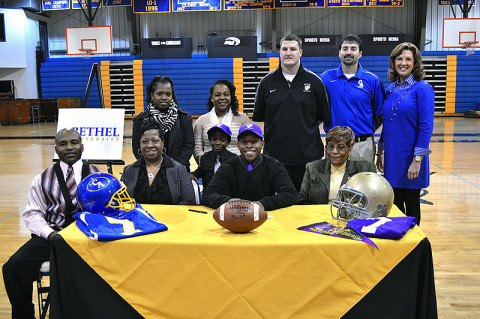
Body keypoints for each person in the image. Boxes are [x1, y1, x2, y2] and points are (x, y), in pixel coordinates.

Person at [2, 128, 101, 318]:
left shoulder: (98, 175)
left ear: (82, 146)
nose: (69, 147)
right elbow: (33, 214)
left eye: (74, 142)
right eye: (63, 144)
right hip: (53, 235)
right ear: (56, 149)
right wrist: (51, 234)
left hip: (88, 238)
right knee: (13, 267)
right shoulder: (42, 178)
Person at [252, 33, 331, 192]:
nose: (288, 53)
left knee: (307, 206)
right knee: (279, 204)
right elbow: (260, 119)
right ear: (279, 52)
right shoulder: (266, 83)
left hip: (309, 159)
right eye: (284, 49)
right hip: (275, 158)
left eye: (293, 49)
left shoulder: (315, 82)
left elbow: (322, 118)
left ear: (300, 52)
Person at [376, 42, 434, 226]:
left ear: (415, 63)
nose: (403, 63)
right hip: (393, 157)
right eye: (399, 59)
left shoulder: (422, 89)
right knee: (396, 205)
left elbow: (426, 127)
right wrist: (380, 150)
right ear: (393, 62)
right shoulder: (391, 89)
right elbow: (388, 122)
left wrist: (417, 161)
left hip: (411, 158)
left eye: (408, 59)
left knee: (412, 205)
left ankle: (414, 246)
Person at [202, 123, 298, 211]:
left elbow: (290, 194)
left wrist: (262, 204)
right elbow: (208, 195)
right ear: (238, 145)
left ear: (262, 144)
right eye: (244, 142)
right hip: (234, 216)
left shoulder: (274, 165)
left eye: (254, 141)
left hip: (266, 217)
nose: (249, 145)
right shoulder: (227, 167)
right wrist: (230, 202)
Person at [320, 34, 385, 163]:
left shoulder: (372, 80)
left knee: (363, 183)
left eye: (353, 49)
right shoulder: (326, 78)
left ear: (360, 53)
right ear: (339, 53)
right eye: (345, 48)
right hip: (334, 146)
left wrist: (362, 130)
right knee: (334, 183)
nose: (348, 52)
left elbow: (380, 114)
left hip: (362, 146)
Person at [299, 126, 376, 204]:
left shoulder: (365, 170)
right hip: (318, 215)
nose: (334, 151)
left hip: (351, 215)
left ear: (350, 149)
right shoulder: (312, 168)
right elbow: (302, 201)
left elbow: (373, 201)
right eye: (330, 146)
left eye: (340, 147)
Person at [132, 76, 194, 171]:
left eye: (168, 94)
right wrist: (154, 167)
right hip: (150, 170)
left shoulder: (185, 118)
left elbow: (188, 146)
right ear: (152, 95)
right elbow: (137, 148)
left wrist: (174, 167)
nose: (164, 97)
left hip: (178, 170)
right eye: (160, 94)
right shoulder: (140, 120)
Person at [122, 124, 195, 205]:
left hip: (169, 217)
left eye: (155, 141)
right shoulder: (129, 170)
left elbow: (189, 201)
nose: (149, 145)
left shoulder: (179, 169)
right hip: (136, 217)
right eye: (144, 142)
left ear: (162, 143)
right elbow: (121, 202)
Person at [193, 79, 250, 163]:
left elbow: (248, 145)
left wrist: (240, 166)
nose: (222, 98)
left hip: (237, 168)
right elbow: (197, 148)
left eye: (226, 94)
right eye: (217, 95)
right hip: (209, 170)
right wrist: (207, 165)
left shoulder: (243, 119)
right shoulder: (201, 121)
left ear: (231, 97)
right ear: (212, 98)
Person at [190, 123, 237, 188]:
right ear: (210, 140)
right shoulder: (205, 157)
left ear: (228, 142)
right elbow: (200, 171)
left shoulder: (233, 159)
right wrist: (192, 174)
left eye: (222, 140)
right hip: (209, 195)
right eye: (214, 139)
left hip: (228, 195)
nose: (217, 143)